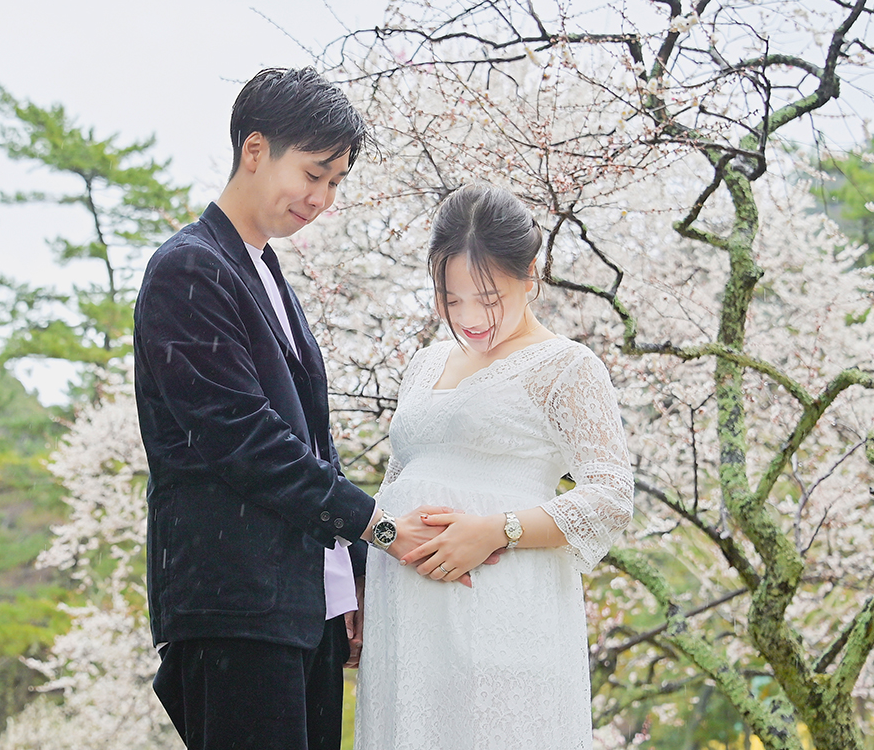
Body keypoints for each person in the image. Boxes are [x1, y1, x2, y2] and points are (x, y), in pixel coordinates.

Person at [133, 67, 451, 750]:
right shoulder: (189, 268)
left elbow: (312, 442)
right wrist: (378, 527)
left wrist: (351, 573)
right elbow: (244, 439)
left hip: (305, 609)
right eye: (313, 174)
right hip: (235, 604)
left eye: (335, 182)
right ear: (255, 149)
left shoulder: (265, 271)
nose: (321, 198)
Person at [353, 184, 635, 749]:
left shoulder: (566, 366)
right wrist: (362, 579)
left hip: (503, 609)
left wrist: (495, 529)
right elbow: (398, 479)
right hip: (404, 616)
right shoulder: (425, 363)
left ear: (530, 274)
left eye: (488, 298)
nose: (470, 318)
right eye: (450, 299)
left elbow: (610, 496)